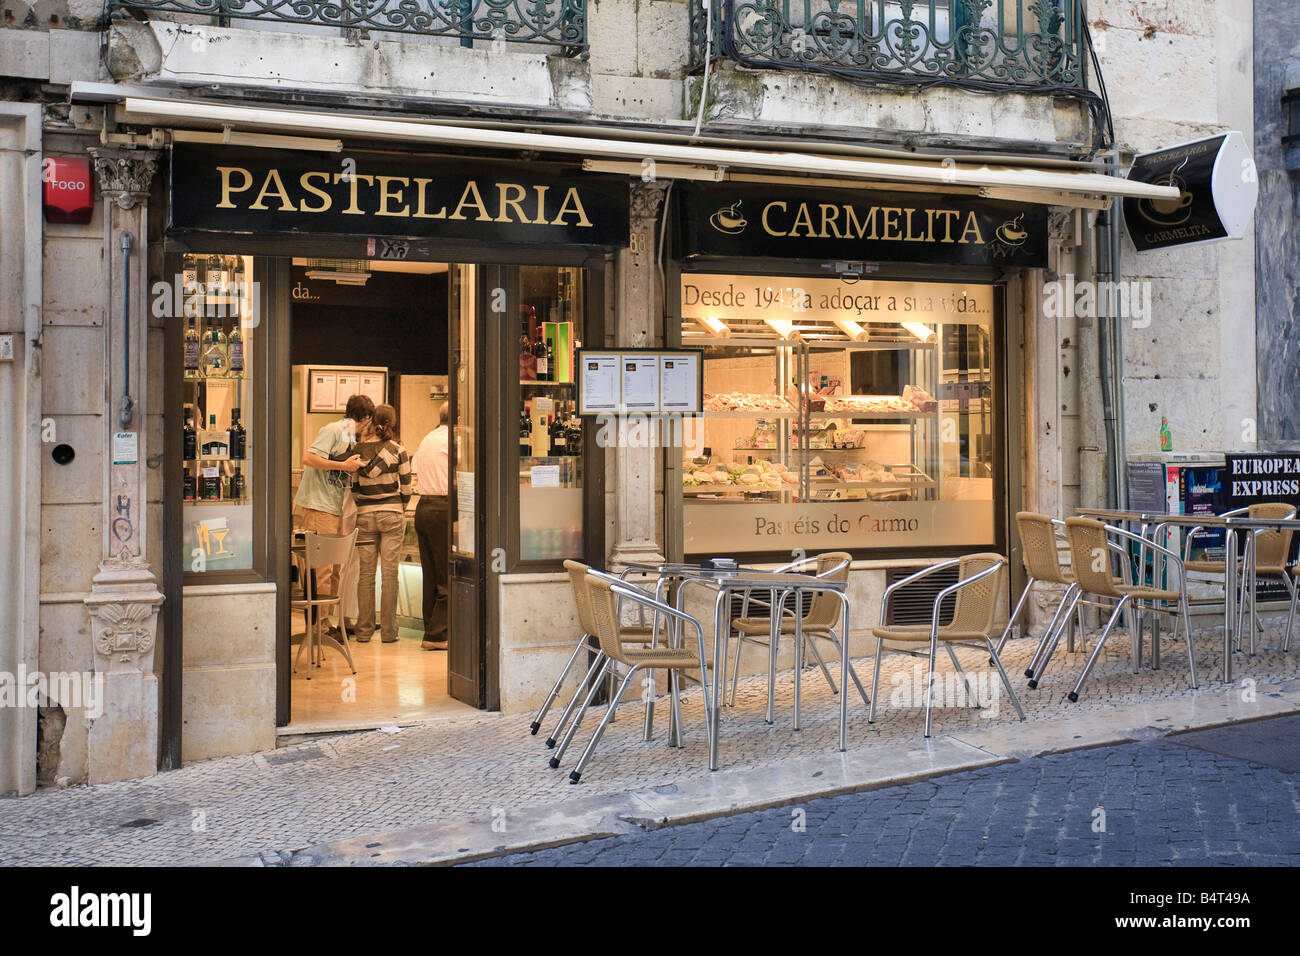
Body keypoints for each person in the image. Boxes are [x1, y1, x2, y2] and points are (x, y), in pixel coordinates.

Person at [294, 394, 373, 606]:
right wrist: (344, 466)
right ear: (366, 418)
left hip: (334, 507)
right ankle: (320, 626)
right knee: (323, 568)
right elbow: (308, 458)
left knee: (336, 566)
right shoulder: (333, 430)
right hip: (319, 505)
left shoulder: (349, 435)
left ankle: (328, 621)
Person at [351, 404, 414, 644]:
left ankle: (364, 631)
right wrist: (400, 506)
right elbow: (407, 487)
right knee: (390, 575)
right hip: (392, 514)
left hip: (365, 515)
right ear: (392, 422)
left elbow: (354, 487)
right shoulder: (399, 450)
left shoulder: (357, 451)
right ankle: (388, 632)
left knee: (366, 575)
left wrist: (366, 503)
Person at [413, 402, 450, 650]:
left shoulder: (427, 438)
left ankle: (430, 629)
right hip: (443, 508)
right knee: (447, 572)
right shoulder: (453, 440)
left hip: (423, 508)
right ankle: (439, 635)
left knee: (430, 574)